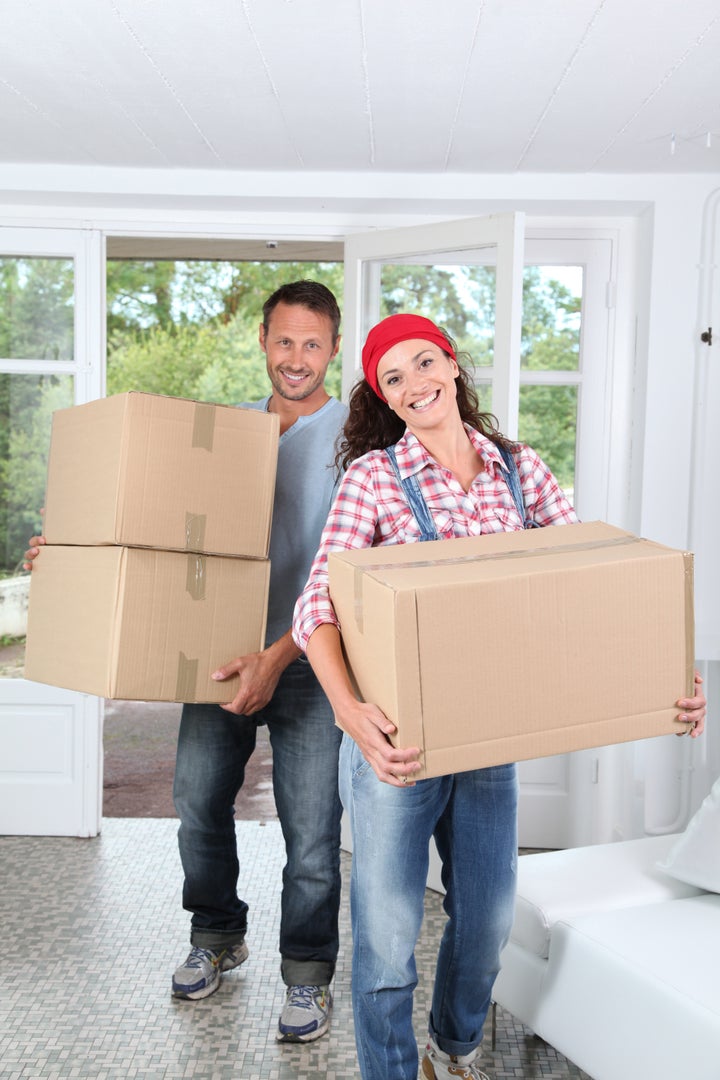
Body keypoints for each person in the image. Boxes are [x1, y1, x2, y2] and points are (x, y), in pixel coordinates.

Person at [291, 313, 708, 1080]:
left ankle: (452, 1050)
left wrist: (662, 675)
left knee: (483, 925)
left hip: (488, 745)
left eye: (424, 363)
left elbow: (589, 585)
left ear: (452, 366)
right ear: (385, 398)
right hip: (399, 751)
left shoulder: (522, 470)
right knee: (387, 941)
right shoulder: (373, 480)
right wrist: (352, 717)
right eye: (394, 378)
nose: (415, 384)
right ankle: (389, 1071)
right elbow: (317, 608)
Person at [24, 280, 348, 1045]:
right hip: (219, 650)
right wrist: (69, 550)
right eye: (282, 341)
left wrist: (278, 656)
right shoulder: (227, 433)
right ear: (262, 342)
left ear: (334, 347)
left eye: (311, 343)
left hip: (312, 659)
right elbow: (146, 512)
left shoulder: (357, 439)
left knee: (312, 834)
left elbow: (354, 571)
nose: (295, 358)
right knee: (198, 802)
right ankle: (215, 936)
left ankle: (306, 976)